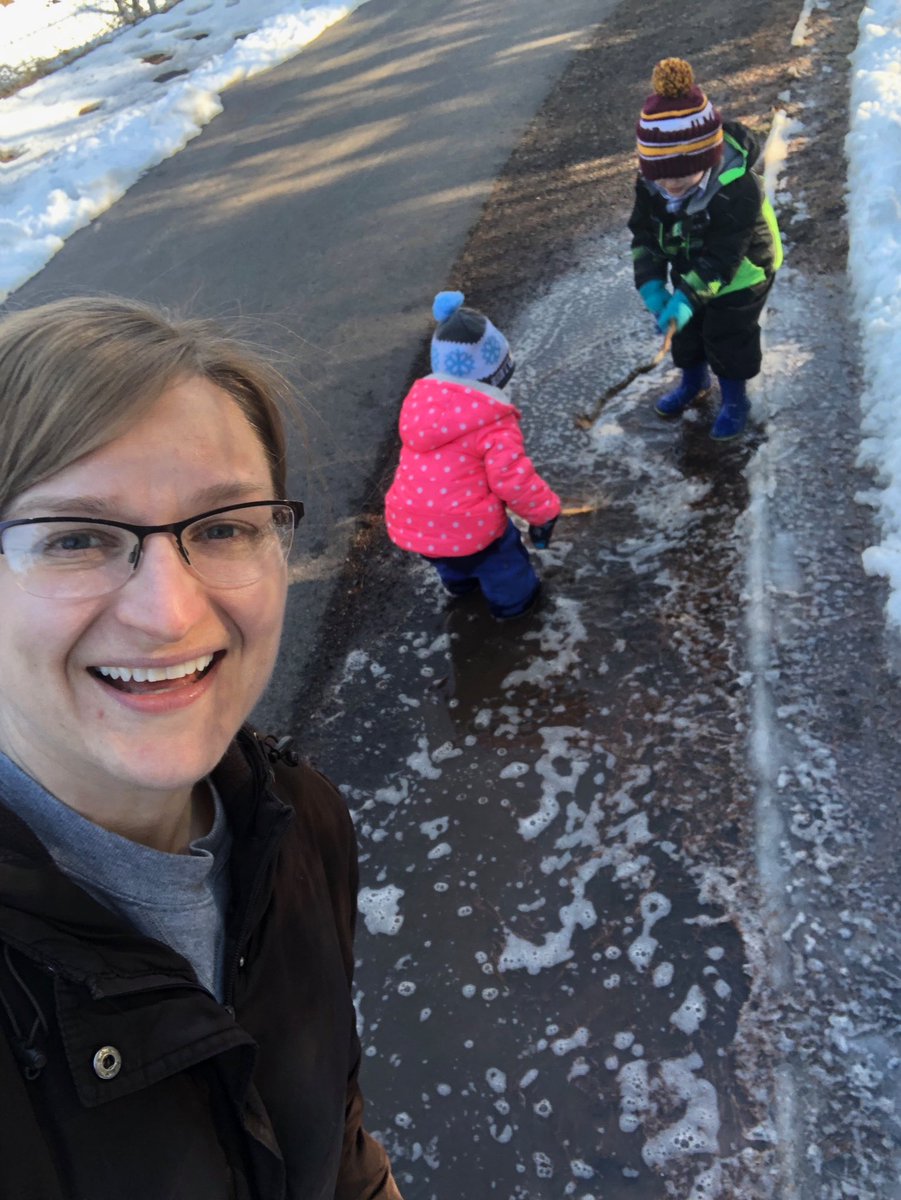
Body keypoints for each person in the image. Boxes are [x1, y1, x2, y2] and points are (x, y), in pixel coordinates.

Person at [0, 296, 402, 1200]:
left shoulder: (300, 824)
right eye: (75, 538)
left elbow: (331, 1133)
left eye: (223, 527)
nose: (171, 613)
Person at [628, 57, 783, 440]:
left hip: (742, 270)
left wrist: (685, 298)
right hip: (690, 262)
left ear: (708, 158)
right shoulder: (652, 185)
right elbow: (644, 237)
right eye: (660, 175)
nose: (671, 185)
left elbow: (723, 258)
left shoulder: (737, 189)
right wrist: (652, 287)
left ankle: (734, 398)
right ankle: (694, 381)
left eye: (682, 174)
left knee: (727, 333)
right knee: (685, 330)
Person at [385, 291, 561, 619]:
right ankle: (515, 610)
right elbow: (512, 481)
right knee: (506, 569)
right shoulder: (493, 422)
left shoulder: (419, 408)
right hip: (473, 533)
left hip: (412, 526)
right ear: (495, 374)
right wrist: (545, 513)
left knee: (451, 559)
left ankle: (460, 588)